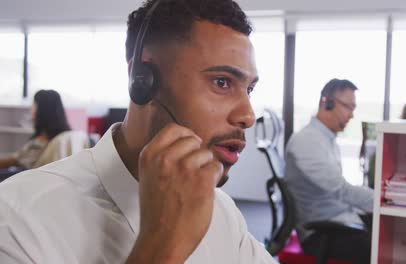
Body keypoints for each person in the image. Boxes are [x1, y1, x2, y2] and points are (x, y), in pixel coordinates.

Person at [0, 0, 277, 263]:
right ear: (142, 80)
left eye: (249, 89)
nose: (248, 116)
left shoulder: (222, 211)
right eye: (222, 82)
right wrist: (161, 246)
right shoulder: (18, 216)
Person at [284, 78, 373, 263]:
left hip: (338, 220)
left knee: (389, 230)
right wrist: (382, 201)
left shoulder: (326, 139)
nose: (352, 115)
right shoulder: (307, 141)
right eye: (348, 107)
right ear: (327, 103)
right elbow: (341, 189)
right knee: (383, 248)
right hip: (321, 232)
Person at [0, 89, 70, 169]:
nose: (32, 109)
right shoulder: (64, 135)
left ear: (42, 110)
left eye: (34, 105)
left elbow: (14, 161)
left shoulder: (41, 142)